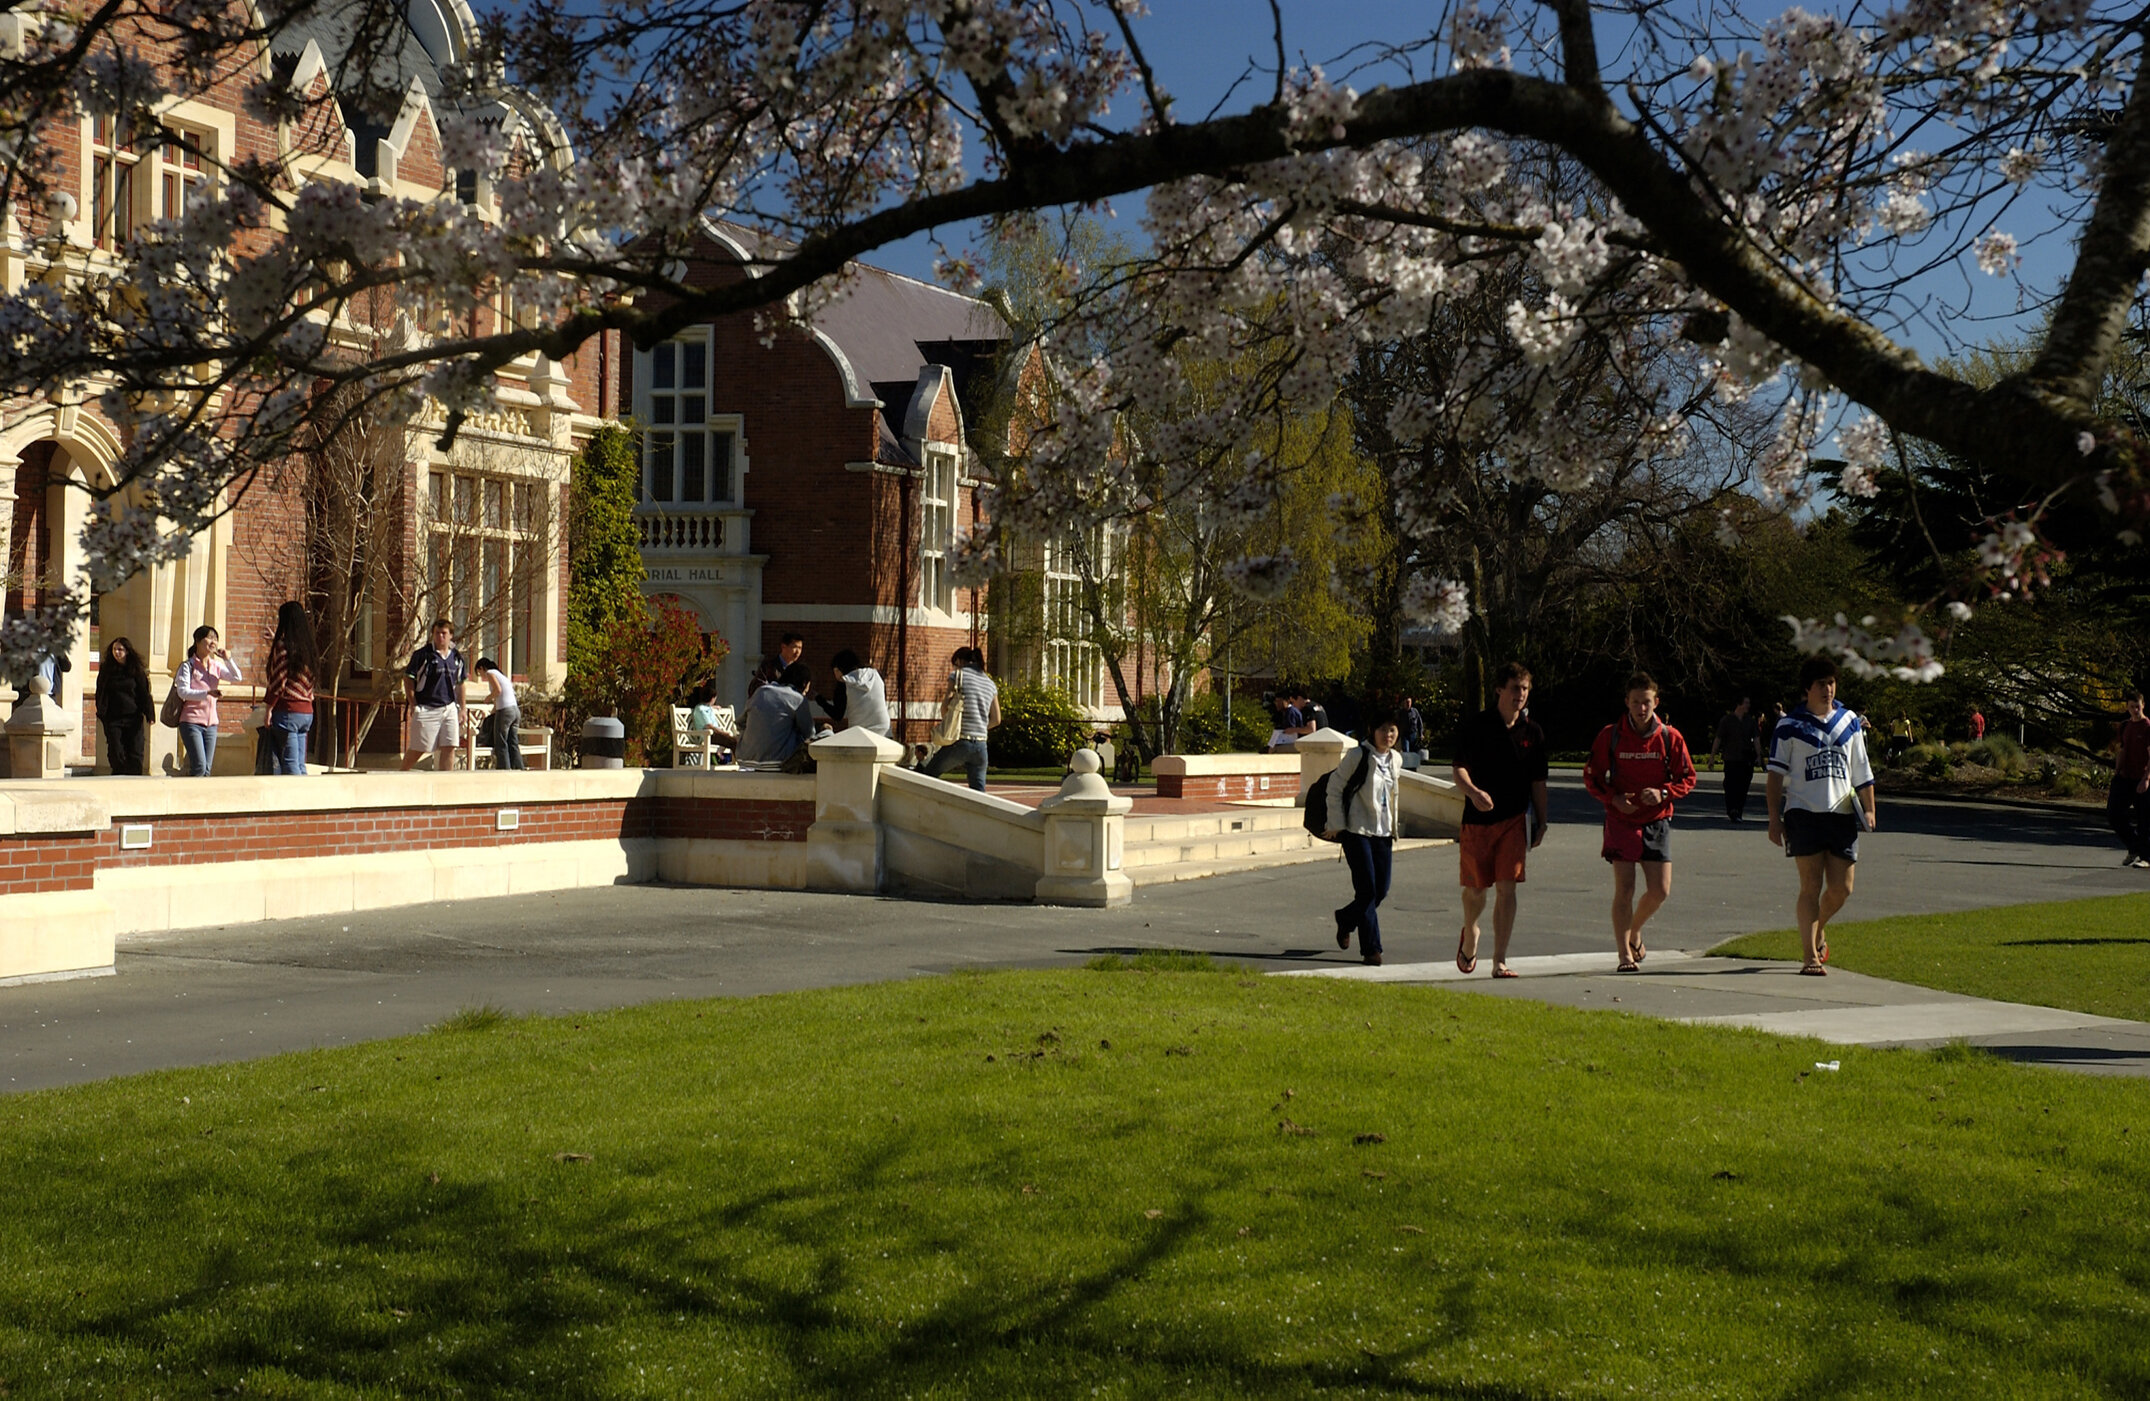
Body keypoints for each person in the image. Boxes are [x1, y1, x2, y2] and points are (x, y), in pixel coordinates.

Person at [1767, 656, 1879, 975]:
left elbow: (1862, 770)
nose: (1828, 689)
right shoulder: (1789, 726)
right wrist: (1774, 818)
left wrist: (1870, 809)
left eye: (1831, 683)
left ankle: (1819, 928)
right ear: (1808, 688)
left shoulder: (1849, 721)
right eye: (1821, 684)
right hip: (1803, 814)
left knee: (1842, 888)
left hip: (1841, 814)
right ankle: (1809, 957)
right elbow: (1775, 776)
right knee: (1810, 886)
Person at [1584, 672, 1697, 973]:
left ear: (1656, 702)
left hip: (1657, 820)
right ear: (1627, 702)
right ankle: (1624, 954)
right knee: (1625, 889)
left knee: (1660, 890)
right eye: (1635, 702)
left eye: (1646, 702)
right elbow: (1592, 776)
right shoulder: (1611, 735)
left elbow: (1688, 777)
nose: (1641, 708)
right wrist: (1613, 798)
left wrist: (1663, 793)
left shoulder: (1670, 737)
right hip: (1621, 821)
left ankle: (1634, 931)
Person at [1451, 661, 1549, 979]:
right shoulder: (1477, 726)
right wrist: (1473, 792)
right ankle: (1471, 931)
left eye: (1525, 689)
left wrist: (1542, 821)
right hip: (1477, 821)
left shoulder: (1533, 733)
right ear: (1499, 690)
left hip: (1514, 821)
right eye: (1514, 688)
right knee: (1477, 891)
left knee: (1508, 888)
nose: (1520, 694)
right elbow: (1459, 768)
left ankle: (1500, 960)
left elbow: (1538, 781)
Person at [1323, 710, 1403, 967]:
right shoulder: (1358, 756)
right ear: (1372, 731)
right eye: (1383, 729)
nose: (1388, 734)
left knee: (1381, 890)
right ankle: (1371, 949)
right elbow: (1334, 787)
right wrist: (1336, 824)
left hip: (1383, 833)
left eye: (1392, 730)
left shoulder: (1396, 759)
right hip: (1356, 830)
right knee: (1367, 891)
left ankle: (1346, 918)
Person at [920, 646, 1000, 790]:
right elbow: (996, 719)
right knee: (978, 792)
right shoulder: (990, 684)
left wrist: (949, 723)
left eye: (955, 664)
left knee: (928, 775)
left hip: (960, 740)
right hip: (981, 745)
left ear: (959, 661)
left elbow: (945, 706)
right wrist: (980, 728)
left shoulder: (957, 676)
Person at [173, 624, 241, 777]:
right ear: (198, 641)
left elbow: (237, 677)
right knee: (199, 766)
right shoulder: (188, 666)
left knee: (207, 769)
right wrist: (207, 693)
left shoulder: (216, 665)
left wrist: (228, 659)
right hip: (191, 722)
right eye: (209, 638)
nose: (213, 642)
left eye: (215, 639)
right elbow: (183, 692)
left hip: (211, 724)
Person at [400, 619, 466, 771]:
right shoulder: (423, 655)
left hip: (449, 707)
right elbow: (408, 679)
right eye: (437, 633)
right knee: (419, 748)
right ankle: (401, 774)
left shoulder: (456, 658)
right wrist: (413, 703)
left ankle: (445, 781)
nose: (440, 637)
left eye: (444, 633)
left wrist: (462, 708)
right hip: (427, 707)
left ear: (450, 635)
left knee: (449, 747)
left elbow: (461, 683)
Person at [261, 601, 318, 775]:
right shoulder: (308, 648)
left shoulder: (283, 646)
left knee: (290, 764)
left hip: (287, 711)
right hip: (306, 711)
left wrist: (268, 709)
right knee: (300, 764)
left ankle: (295, 794)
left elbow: (278, 680)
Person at [735, 660, 819, 771]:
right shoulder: (798, 699)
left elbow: (740, 723)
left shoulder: (761, 691)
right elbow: (809, 734)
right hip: (780, 762)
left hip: (746, 760)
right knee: (827, 732)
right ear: (804, 683)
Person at [95, 636, 154, 775]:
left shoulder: (136, 670)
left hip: (133, 717)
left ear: (127, 651)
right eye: (114, 649)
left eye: (120, 649)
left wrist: (149, 714)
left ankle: (134, 777)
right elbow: (101, 692)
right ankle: (118, 776)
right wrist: (102, 712)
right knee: (116, 751)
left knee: (135, 750)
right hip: (113, 718)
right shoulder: (106, 670)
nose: (117, 652)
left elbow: (144, 693)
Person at [2108, 690, 2150, 868]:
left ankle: (2146, 857)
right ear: (2127, 707)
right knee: (2114, 813)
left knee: (2144, 819)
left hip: (2142, 778)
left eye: (2138, 706)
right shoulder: (2125, 726)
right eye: (2132, 707)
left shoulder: (2147, 727)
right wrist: (2117, 771)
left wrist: (2147, 778)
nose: (2135, 710)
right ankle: (2133, 846)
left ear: (2143, 705)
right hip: (2125, 777)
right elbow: (2123, 750)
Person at [474, 657, 525, 769]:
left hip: (505, 712)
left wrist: (487, 698)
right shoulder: (502, 675)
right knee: (513, 742)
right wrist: (491, 713)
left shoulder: (490, 673)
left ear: (482, 668)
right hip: (515, 710)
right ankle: (518, 768)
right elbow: (499, 700)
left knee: (501, 742)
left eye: (479, 673)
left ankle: (504, 769)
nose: (481, 677)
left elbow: (498, 690)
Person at [1712, 694, 1756, 821]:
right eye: (1746, 703)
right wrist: (1712, 756)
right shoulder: (1727, 720)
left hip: (1746, 758)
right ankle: (1732, 809)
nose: (1748, 706)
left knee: (1743, 786)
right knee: (1730, 785)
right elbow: (1718, 738)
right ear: (1739, 704)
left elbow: (1756, 739)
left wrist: (1759, 755)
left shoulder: (1750, 721)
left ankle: (1738, 810)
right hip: (1731, 758)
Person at [827, 649, 890, 737]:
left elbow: (837, 715)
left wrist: (820, 700)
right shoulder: (875, 674)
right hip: (883, 727)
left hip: (859, 730)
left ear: (837, 670)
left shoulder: (845, 683)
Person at [1397, 694, 1426, 769]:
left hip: (1413, 734)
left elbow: (1419, 723)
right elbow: (1397, 724)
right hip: (1405, 734)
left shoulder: (1415, 711)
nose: (1408, 704)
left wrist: (1421, 733)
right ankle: (1407, 767)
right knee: (1406, 751)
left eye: (1409, 702)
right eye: (1406, 702)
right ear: (1404, 703)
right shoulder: (1401, 713)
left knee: (1413, 751)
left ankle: (1413, 767)